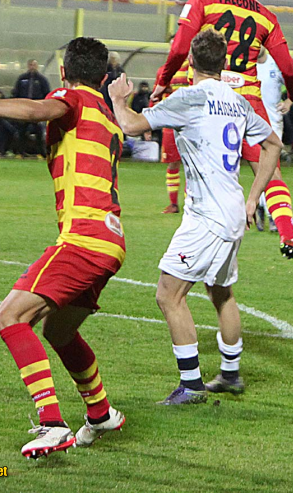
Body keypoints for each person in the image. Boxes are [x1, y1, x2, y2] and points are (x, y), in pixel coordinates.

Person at [0, 37, 126, 457]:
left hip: (84, 238)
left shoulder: (73, 99)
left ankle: (52, 424)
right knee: (59, 330)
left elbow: (37, 110)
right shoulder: (108, 117)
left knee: (10, 317)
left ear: (64, 73)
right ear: (104, 76)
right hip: (111, 240)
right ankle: (101, 412)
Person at [110, 29, 282, 404]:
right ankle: (231, 374)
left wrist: (119, 100)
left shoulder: (189, 97)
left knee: (168, 295)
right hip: (232, 209)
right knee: (221, 291)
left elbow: (130, 126)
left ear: (190, 61)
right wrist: (254, 199)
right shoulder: (238, 102)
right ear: (224, 63)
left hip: (208, 216)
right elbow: (273, 145)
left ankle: (191, 386)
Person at [151, 0, 293, 277]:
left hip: (208, 99)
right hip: (247, 102)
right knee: (271, 172)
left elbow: (180, 47)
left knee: (200, 169)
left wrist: (162, 82)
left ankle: (196, 237)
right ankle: (288, 235)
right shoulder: (266, 16)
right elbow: (288, 67)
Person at [255, 47, 290, 232]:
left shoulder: (276, 64)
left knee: (272, 169)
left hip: (274, 125)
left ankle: (270, 213)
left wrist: (289, 102)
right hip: (253, 125)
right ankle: (264, 209)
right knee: (261, 168)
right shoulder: (246, 64)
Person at [154, 56, 193, 214]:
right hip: (171, 123)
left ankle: (189, 203)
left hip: (191, 122)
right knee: (172, 163)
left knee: (192, 163)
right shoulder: (164, 71)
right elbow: (156, 96)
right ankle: (173, 204)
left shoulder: (195, 67)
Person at [12, 59, 50, 156]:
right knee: (22, 130)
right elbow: (16, 93)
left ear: (37, 66)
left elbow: (47, 94)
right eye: (30, 65)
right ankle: (21, 152)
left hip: (36, 109)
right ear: (28, 66)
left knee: (39, 131)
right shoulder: (22, 79)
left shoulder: (42, 80)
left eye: (34, 65)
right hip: (24, 109)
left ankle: (41, 153)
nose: (32, 67)